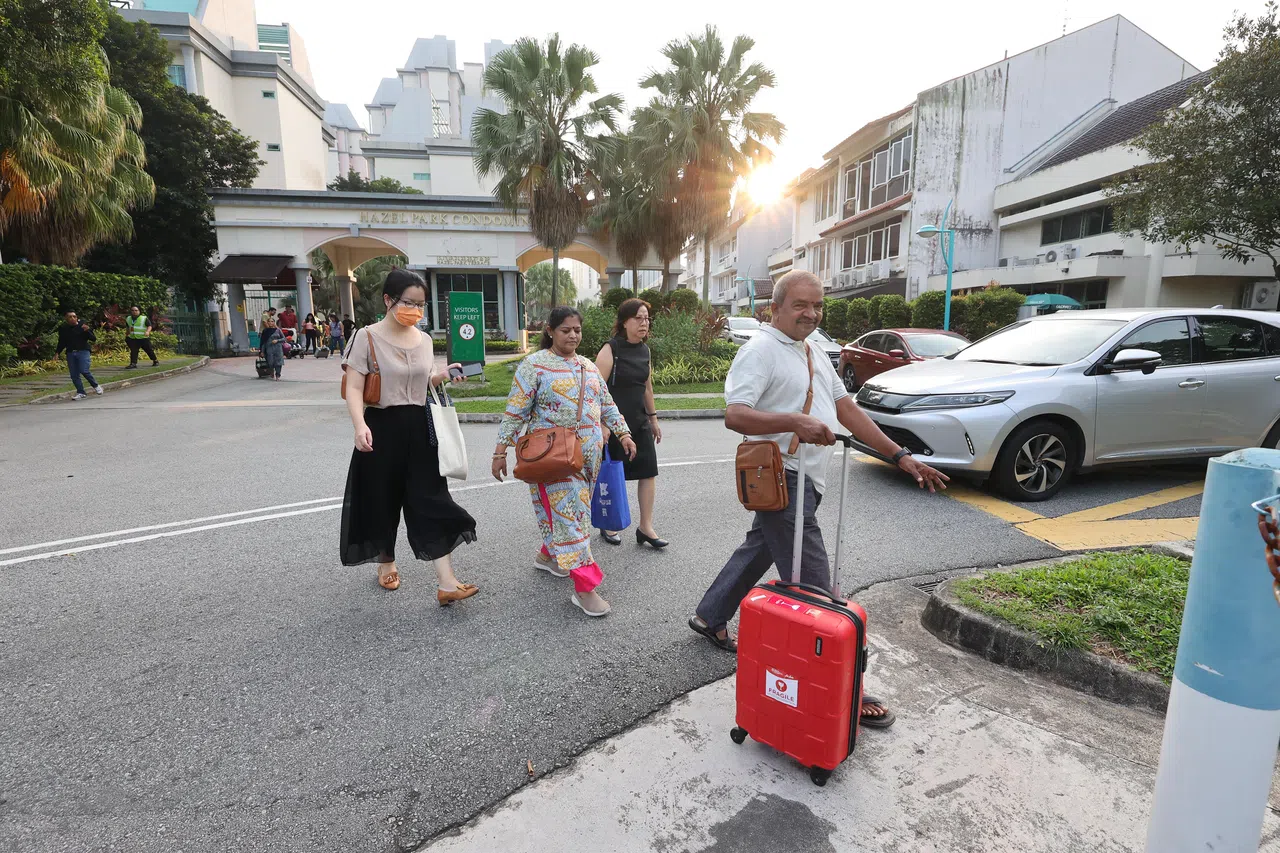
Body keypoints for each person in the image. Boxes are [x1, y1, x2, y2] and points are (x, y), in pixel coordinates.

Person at [687, 271, 950, 730]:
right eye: (800, 305)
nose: (811, 313)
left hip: (806, 480)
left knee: (761, 548)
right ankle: (849, 689)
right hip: (781, 478)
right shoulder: (761, 351)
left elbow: (846, 409)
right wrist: (796, 422)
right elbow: (735, 415)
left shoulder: (811, 353)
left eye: (818, 306)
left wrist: (900, 455)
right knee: (815, 587)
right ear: (776, 307)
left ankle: (710, 616)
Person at [341, 268, 478, 606]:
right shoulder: (366, 337)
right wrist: (360, 425)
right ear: (388, 300)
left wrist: (442, 375)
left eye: (421, 305)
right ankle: (386, 560)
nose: (416, 311)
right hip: (380, 427)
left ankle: (447, 582)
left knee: (430, 499)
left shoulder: (425, 339)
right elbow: (354, 387)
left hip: (420, 427)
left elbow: (422, 382)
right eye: (408, 303)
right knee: (381, 500)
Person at [493, 306, 637, 618]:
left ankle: (547, 556)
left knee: (572, 514)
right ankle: (585, 590)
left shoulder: (587, 366)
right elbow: (515, 411)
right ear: (550, 331)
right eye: (565, 330)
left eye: (577, 330)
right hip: (552, 460)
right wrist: (499, 451)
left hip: (587, 459)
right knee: (572, 519)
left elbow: (606, 404)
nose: (573, 335)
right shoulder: (534, 366)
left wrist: (623, 433)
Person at [595, 298, 666, 548]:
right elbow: (596, 389)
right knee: (614, 474)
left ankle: (645, 527)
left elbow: (646, 386)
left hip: (639, 420)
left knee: (648, 472)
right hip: (614, 423)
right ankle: (609, 522)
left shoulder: (645, 350)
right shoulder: (611, 348)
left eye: (647, 318)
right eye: (638, 318)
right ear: (625, 322)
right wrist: (603, 423)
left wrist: (653, 418)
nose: (644, 323)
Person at [55, 311, 103, 400]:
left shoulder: (82, 326)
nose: (73, 318)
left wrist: (87, 331)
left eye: (74, 316)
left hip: (83, 351)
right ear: (66, 319)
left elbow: (93, 338)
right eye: (70, 317)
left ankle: (95, 385)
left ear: (77, 318)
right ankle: (81, 392)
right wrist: (57, 352)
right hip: (70, 352)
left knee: (84, 370)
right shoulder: (64, 328)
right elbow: (61, 342)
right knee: (74, 374)